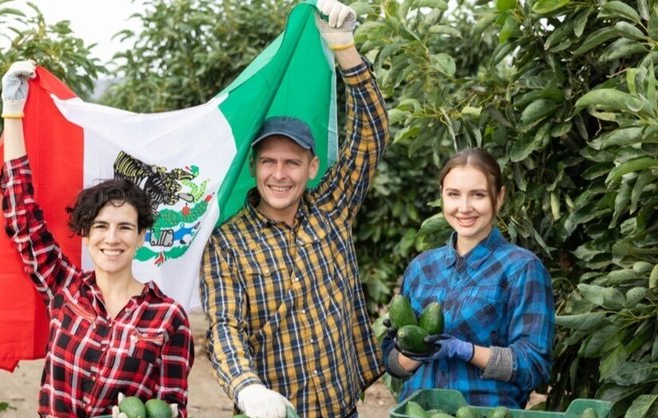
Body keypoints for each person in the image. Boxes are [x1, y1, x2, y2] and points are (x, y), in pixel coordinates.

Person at [198, 1, 391, 417]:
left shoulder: (332, 208)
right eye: (269, 161)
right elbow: (225, 328)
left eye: (292, 162)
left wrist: (345, 50)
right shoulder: (228, 243)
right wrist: (247, 389)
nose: (279, 174)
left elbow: (371, 134)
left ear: (312, 166)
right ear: (253, 167)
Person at [0, 61, 193, 418]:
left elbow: (173, 408)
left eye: (125, 227)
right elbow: (21, 216)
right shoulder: (65, 289)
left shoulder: (168, 318)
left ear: (141, 238)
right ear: (86, 235)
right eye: (101, 227)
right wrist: (12, 113)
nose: (112, 238)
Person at [381, 148, 555, 408]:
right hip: (418, 413)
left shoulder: (522, 269)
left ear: (500, 197)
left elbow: (535, 366)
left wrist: (468, 351)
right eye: (453, 194)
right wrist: (411, 350)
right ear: (442, 196)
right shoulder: (421, 268)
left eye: (478, 195)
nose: (464, 208)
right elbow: (394, 365)